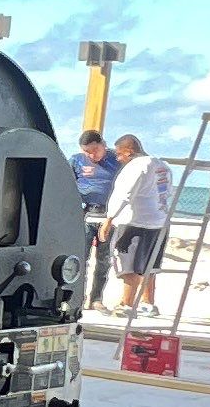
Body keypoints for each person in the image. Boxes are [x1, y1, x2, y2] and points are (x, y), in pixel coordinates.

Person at [103, 134, 175, 317]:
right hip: (159, 222)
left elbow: (124, 194)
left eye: (119, 154)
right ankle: (148, 303)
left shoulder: (135, 166)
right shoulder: (163, 166)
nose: (118, 158)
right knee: (149, 264)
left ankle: (126, 304)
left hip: (134, 221)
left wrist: (109, 219)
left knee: (128, 264)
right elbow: (167, 193)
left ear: (129, 151)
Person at [71, 128, 117, 309]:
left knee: (103, 260)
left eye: (95, 150)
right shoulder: (76, 160)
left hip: (109, 215)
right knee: (81, 258)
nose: (92, 155)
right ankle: (77, 298)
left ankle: (96, 299)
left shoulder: (117, 160)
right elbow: (65, 184)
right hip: (86, 213)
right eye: (87, 152)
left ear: (103, 145)